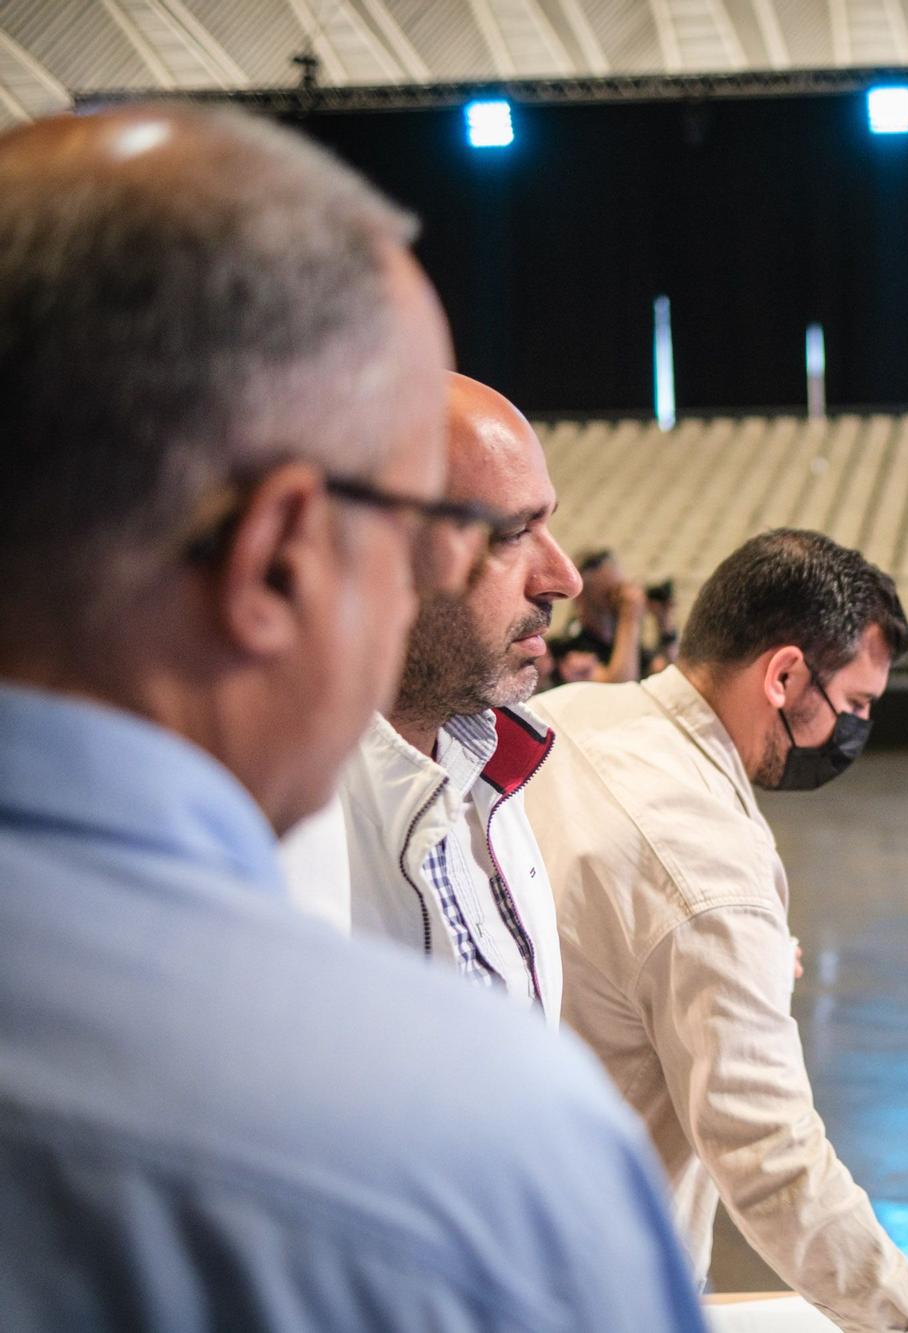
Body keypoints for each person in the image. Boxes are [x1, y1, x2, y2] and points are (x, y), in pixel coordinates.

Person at [0, 105, 702, 1328]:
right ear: (276, 558)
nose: (558, 577)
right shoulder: (472, 1156)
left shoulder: (492, 777)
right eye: (426, 528)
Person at [529, 529, 908, 1333]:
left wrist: (734, 969)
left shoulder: (563, 716)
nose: (854, 731)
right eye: (853, 705)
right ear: (782, 675)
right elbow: (772, 1158)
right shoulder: (709, 871)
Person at [282, 373, 583, 1023]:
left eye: (547, 525)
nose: (565, 578)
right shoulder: (285, 826)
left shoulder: (488, 752)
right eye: (510, 534)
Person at [567, 546, 648, 682]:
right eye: (609, 594)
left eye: (620, 588)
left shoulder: (621, 641)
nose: (620, 598)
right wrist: (630, 617)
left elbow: (665, 674)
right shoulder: (567, 647)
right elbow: (618, 687)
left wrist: (665, 626)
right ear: (580, 597)